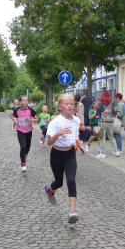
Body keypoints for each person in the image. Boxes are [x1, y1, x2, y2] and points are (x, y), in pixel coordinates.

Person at [44, 94, 86, 224]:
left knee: (71, 180)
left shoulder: (76, 120)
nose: (69, 106)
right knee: (59, 182)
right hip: (56, 154)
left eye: (71, 104)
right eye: (66, 104)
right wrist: (58, 133)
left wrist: (80, 145)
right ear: (60, 107)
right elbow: (49, 143)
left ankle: (72, 212)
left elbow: (75, 136)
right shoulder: (55, 122)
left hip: (70, 154)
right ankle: (50, 190)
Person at [11, 95, 37, 172]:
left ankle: (24, 155)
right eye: (23, 100)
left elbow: (37, 119)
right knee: (23, 146)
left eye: (26, 100)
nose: (25, 102)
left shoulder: (31, 110)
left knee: (27, 147)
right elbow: (12, 116)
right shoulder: (17, 110)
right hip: (20, 130)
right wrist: (15, 121)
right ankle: (23, 164)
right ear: (20, 102)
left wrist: (31, 120)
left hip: (29, 131)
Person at [97, 91, 120, 158]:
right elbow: (115, 113)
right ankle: (116, 151)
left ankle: (103, 153)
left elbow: (97, 115)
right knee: (111, 137)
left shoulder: (100, 104)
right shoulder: (112, 103)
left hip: (103, 122)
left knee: (102, 138)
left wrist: (101, 115)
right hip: (110, 122)